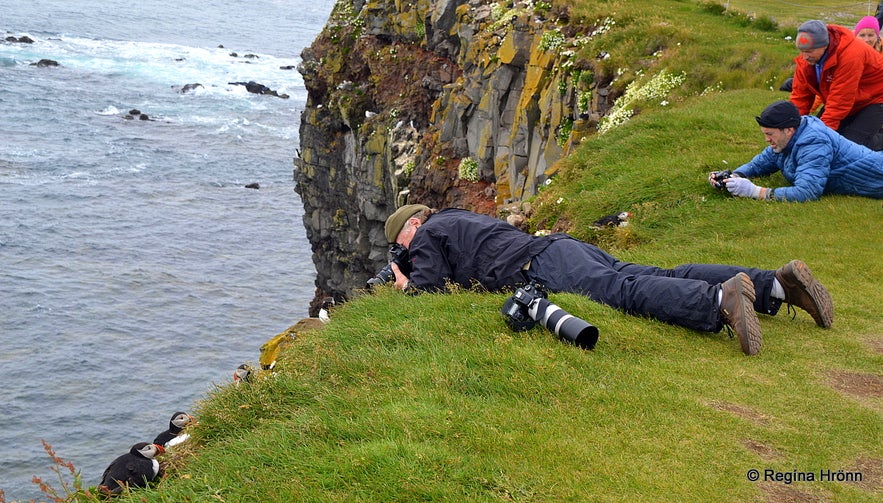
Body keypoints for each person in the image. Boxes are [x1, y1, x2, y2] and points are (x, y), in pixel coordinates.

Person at [383, 204, 835, 356]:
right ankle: (776, 285)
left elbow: (432, 289)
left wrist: (405, 283)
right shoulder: (456, 217)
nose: (404, 247)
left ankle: (718, 300)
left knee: (623, 292)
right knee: (652, 274)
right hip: (559, 247)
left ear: (410, 227)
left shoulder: (427, 236)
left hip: (539, 266)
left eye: (401, 239)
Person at [710, 100, 883, 201]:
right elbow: (762, 162)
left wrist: (756, 192)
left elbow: (807, 192)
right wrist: (733, 176)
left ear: (789, 129)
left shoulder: (813, 143)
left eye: (770, 134)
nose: (767, 139)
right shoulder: (787, 138)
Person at [790, 19, 883, 150]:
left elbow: (840, 101)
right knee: (810, 135)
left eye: (809, 51)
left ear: (824, 45)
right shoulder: (806, 60)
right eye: (801, 51)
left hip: (876, 98)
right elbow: (800, 96)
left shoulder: (851, 55)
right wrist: (791, 130)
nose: (804, 57)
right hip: (852, 98)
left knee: (850, 147)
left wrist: (821, 137)